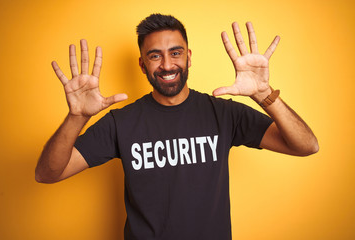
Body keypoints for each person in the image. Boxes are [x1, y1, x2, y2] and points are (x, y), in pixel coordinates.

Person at [35, 14, 318, 240]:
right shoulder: (121, 123)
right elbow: (47, 173)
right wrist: (76, 117)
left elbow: (306, 145)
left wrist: (263, 93)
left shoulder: (224, 114)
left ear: (189, 57)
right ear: (143, 65)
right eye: (155, 55)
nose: (167, 64)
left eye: (175, 52)